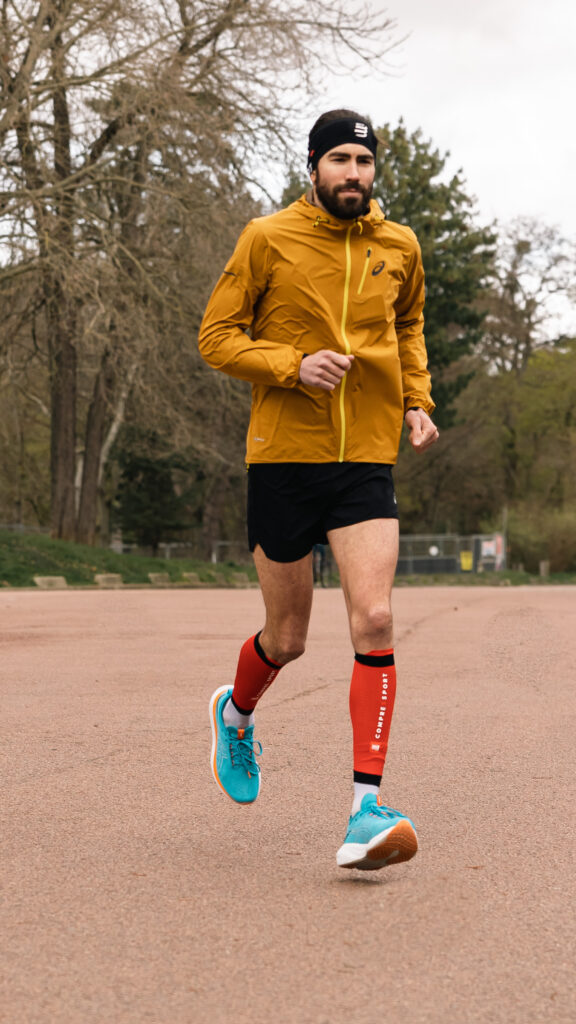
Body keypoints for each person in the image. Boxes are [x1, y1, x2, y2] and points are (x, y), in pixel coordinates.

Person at [198, 109, 439, 871]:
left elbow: (409, 326)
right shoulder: (266, 238)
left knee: (375, 616)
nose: (354, 175)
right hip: (283, 458)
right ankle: (236, 716)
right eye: (340, 159)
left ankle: (367, 809)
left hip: (365, 459)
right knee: (289, 638)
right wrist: (290, 364)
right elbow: (216, 336)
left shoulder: (398, 246)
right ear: (313, 166)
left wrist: (416, 399)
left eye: (364, 162)